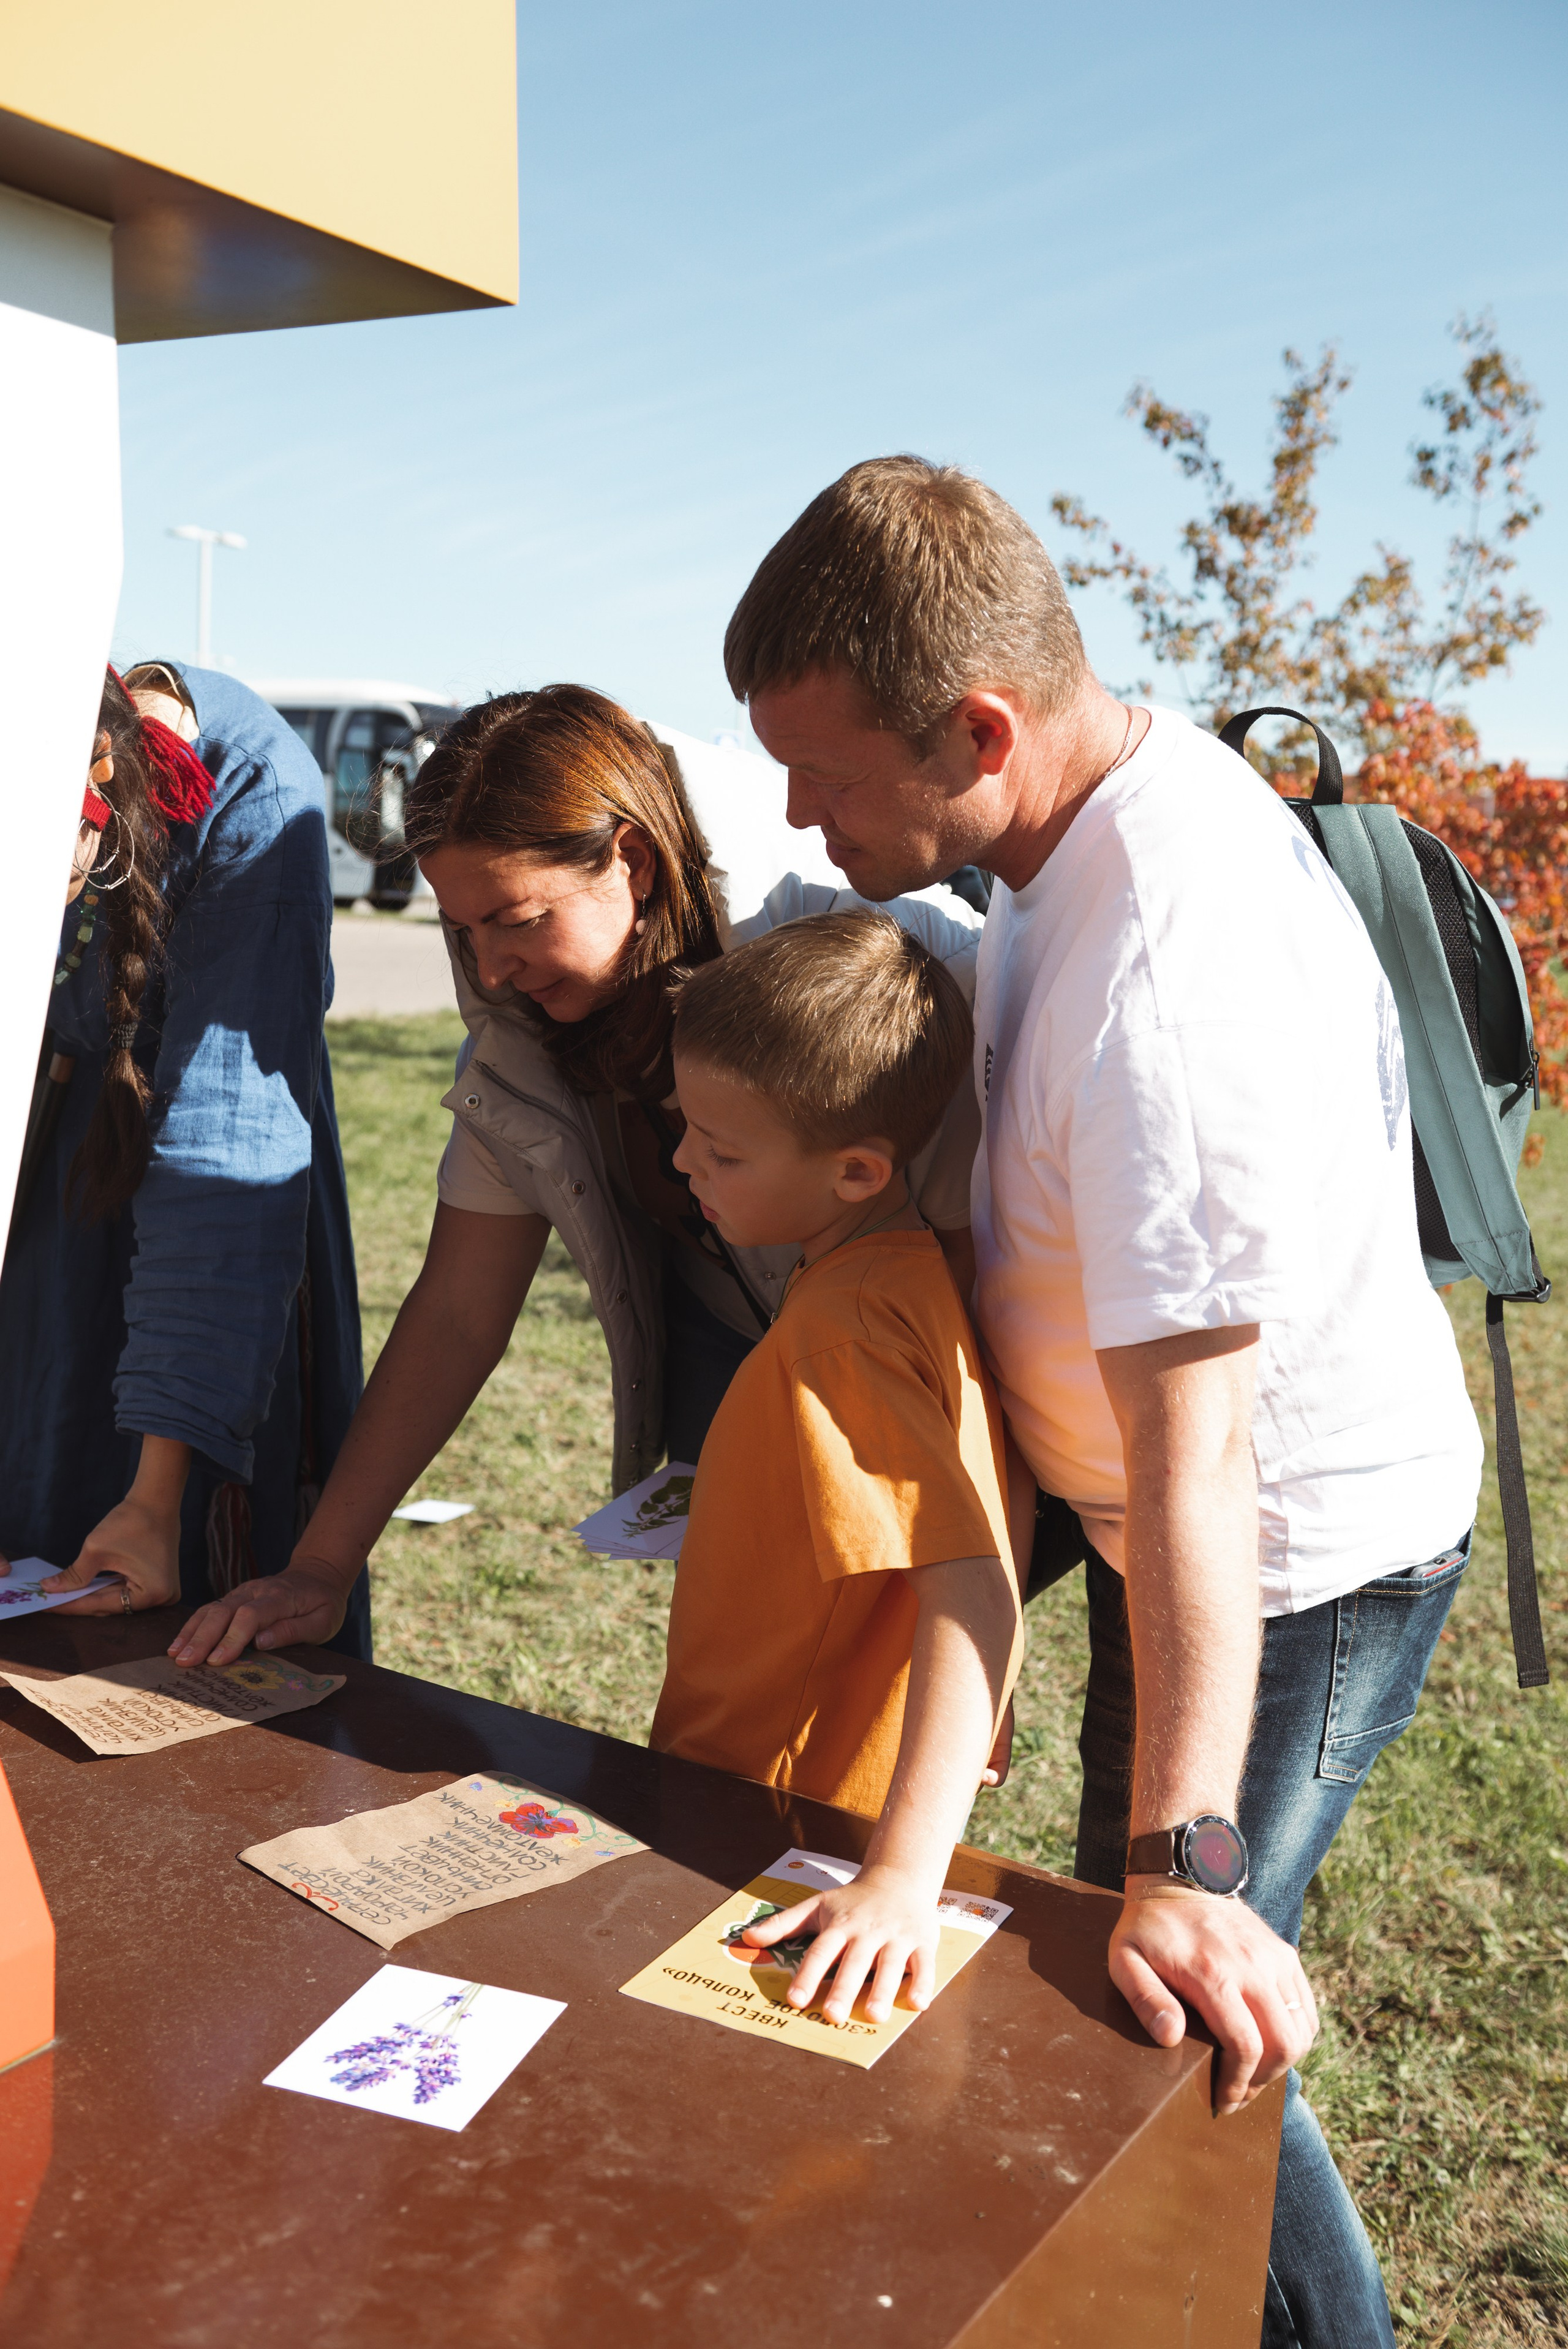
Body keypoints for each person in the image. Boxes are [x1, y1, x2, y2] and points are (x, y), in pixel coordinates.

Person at [720, 458, 1483, 2348]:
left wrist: (1179, 1859)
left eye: (819, 771)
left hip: (1289, 1561)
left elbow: (1201, 1452)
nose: (795, 811)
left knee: (1178, 1991)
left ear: (980, 727)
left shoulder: (1164, 969)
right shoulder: (1071, 830)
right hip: (1183, 1539)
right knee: (1141, 1974)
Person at [168, 683, 983, 1669]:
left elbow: (971, 1318)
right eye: (463, 931)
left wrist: (984, 1619)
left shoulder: (842, 976)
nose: (493, 967)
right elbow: (460, 1308)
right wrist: (322, 1565)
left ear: (631, 861)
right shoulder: (519, 1035)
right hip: (759, 1393)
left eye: (514, 919)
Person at [654, 910, 1023, 2021]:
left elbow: (973, 1585)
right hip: (788, 1795)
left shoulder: (846, 1334)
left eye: (722, 1151)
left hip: (779, 1814)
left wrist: (904, 1877)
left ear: (857, 1169)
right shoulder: (904, 1279)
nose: (683, 1163)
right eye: (686, 1129)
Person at [0, 663, 368, 1656]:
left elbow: (224, 1151)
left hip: (198, 1230)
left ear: (102, 771)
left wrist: (156, 1501)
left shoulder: (254, 792)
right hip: (47, 1185)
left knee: (156, 1579)